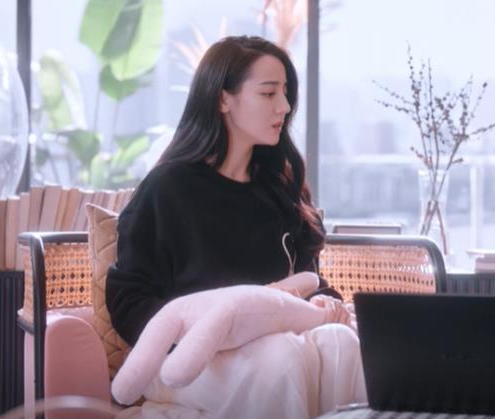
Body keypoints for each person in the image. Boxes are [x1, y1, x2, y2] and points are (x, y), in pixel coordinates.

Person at [106, 35, 364, 418]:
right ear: (223, 99)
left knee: (341, 342)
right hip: (187, 360)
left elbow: (307, 279)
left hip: (278, 341)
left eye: (285, 93)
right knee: (281, 358)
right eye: (268, 93)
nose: (284, 106)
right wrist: (205, 332)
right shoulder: (167, 188)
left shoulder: (279, 189)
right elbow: (128, 299)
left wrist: (326, 302)